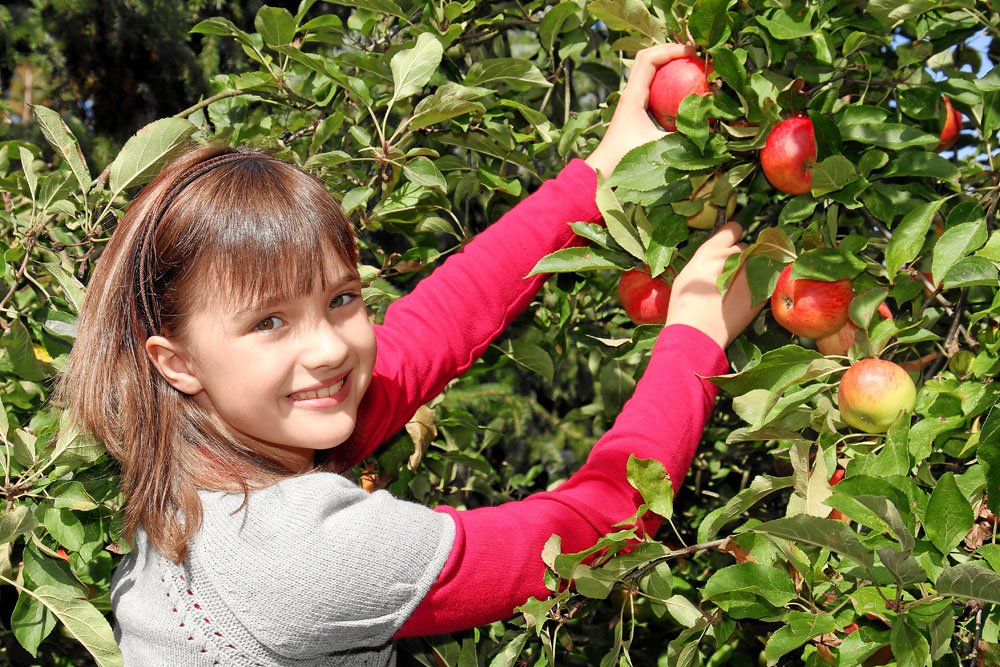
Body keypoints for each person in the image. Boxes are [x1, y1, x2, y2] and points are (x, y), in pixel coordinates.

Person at [56, 43, 758, 665]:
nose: (329, 346)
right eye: (270, 321)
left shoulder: (197, 466)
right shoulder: (309, 554)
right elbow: (588, 529)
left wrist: (599, 174)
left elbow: (432, 330)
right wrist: (695, 332)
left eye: (340, 299)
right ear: (175, 360)